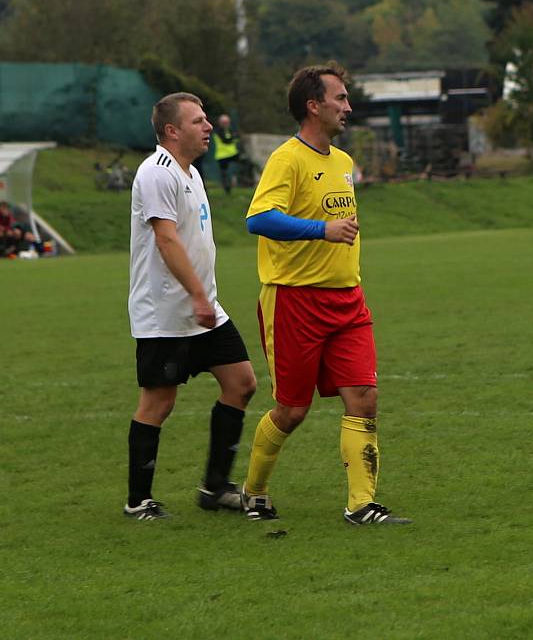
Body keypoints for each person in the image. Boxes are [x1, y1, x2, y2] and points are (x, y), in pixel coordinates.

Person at [240, 62, 411, 526]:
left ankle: (361, 504)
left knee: (364, 397)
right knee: (292, 410)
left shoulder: (342, 162)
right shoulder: (287, 159)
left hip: (347, 301)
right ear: (313, 106)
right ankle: (253, 490)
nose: (348, 107)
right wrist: (322, 229)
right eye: (340, 98)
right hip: (295, 302)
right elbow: (258, 219)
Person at [125, 92, 257, 520]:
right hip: (166, 313)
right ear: (171, 130)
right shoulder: (155, 172)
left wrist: (205, 298)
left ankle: (214, 488)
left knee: (241, 383)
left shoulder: (192, 174)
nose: (209, 127)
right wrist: (198, 295)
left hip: (204, 308)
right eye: (198, 121)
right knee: (158, 404)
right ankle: (138, 501)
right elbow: (166, 239)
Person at [212, 114, 240, 194]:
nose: (225, 124)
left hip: (233, 154)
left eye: (227, 122)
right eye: (223, 122)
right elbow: (226, 140)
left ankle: (236, 182)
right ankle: (227, 189)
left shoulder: (231, 130)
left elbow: (237, 138)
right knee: (224, 174)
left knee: (238, 168)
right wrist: (233, 138)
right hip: (222, 156)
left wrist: (233, 138)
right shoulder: (218, 131)